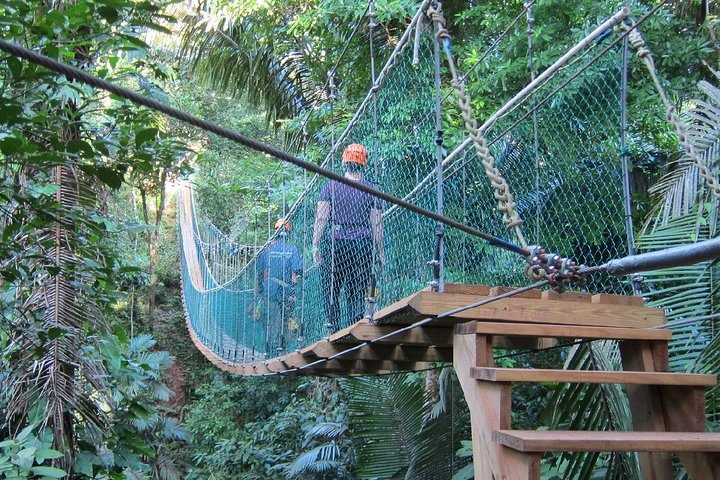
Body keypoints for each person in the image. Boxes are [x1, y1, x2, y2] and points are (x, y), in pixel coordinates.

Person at [312, 143, 385, 332]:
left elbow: (321, 217)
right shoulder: (372, 188)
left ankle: (333, 328)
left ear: (344, 163)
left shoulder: (330, 186)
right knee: (356, 288)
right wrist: (380, 252)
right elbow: (377, 223)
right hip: (362, 243)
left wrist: (315, 245)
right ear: (364, 163)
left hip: (335, 241)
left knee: (331, 289)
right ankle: (355, 327)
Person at [256, 219, 303, 353]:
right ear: (288, 233)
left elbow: (259, 271)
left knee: (270, 320)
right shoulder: (292, 249)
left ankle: (270, 350)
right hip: (287, 292)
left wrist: (259, 288)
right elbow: (295, 277)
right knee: (286, 320)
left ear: (275, 232)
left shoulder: (267, 249)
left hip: (270, 292)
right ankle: (282, 348)